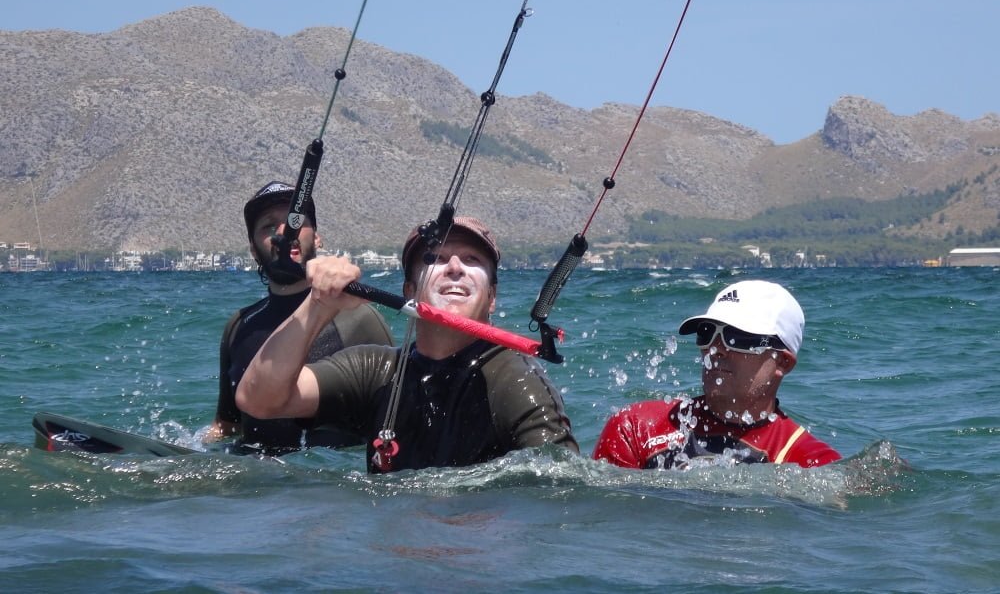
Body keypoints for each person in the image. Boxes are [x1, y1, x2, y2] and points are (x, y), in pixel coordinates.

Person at [236, 215, 579, 472]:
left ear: (491, 297)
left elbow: (562, 487)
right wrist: (318, 305)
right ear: (409, 292)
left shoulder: (514, 381)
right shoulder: (375, 370)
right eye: (435, 259)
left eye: (472, 260)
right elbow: (259, 400)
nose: (455, 267)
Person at [208, 180, 393, 454]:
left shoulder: (360, 318)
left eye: (295, 222)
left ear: (317, 237)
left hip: (326, 486)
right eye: (269, 227)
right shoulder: (239, 327)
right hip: (253, 485)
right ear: (252, 248)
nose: (284, 232)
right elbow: (226, 427)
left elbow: (393, 419)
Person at [593, 280, 840, 469]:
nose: (716, 348)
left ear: (783, 362)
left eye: (738, 337)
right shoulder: (635, 428)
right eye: (707, 333)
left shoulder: (812, 463)